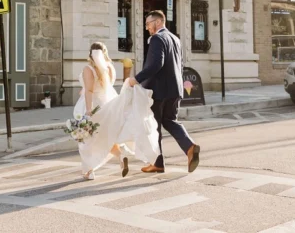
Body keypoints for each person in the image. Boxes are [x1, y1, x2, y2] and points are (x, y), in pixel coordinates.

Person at [74, 42, 160, 180]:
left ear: (90, 53)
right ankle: (121, 156)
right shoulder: (110, 68)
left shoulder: (88, 69)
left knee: (88, 139)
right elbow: (107, 85)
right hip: (109, 103)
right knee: (108, 135)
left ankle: (89, 171)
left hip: (94, 105)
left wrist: (89, 110)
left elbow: (90, 91)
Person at [129, 10, 200, 174]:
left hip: (159, 91)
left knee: (155, 127)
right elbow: (180, 65)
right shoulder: (175, 39)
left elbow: (155, 65)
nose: (147, 28)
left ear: (158, 22)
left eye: (148, 24)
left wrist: (137, 79)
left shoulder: (157, 38)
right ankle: (189, 147)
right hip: (175, 89)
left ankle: (158, 163)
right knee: (169, 120)